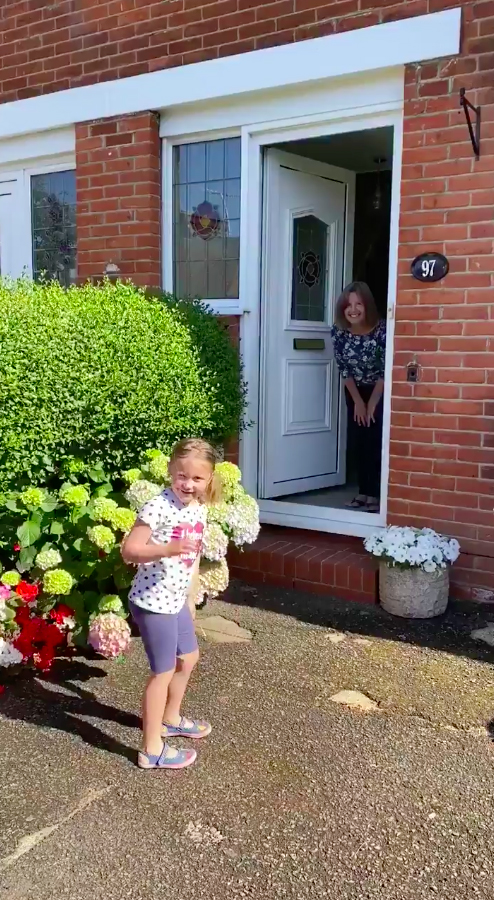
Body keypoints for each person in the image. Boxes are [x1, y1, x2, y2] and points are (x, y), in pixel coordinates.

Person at [121, 438, 221, 770]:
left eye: (196, 478)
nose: (188, 484)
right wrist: (166, 549)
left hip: (175, 600)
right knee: (161, 672)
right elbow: (130, 551)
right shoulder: (158, 506)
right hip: (152, 603)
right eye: (181, 476)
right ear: (170, 471)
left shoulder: (199, 508)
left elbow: (191, 561)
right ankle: (151, 749)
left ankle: (170, 718)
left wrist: (190, 598)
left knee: (189, 658)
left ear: (209, 479)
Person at [330, 281, 386, 513]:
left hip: (379, 389)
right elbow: (344, 369)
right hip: (355, 390)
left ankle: (375, 494)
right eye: (348, 305)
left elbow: (385, 369)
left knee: (375, 438)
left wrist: (372, 402)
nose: (353, 310)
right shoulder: (339, 332)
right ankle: (363, 492)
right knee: (358, 438)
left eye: (359, 304)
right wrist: (358, 402)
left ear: (368, 306)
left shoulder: (382, 330)